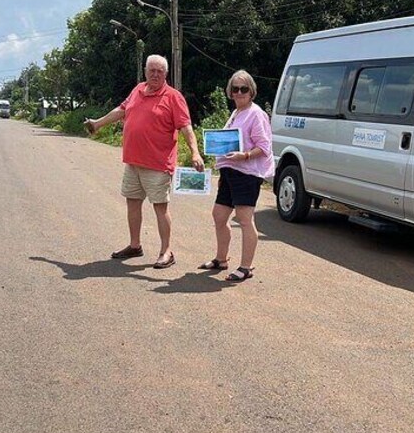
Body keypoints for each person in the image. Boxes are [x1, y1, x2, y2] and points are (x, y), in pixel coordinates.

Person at [84, 55, 204, 269]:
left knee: (160, 207)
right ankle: (134, 245)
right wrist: (98, 123)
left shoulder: (173, 97)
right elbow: (121, 111)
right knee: (132, 203)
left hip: (158, 165)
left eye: (159, 71)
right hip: (133, 162)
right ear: (145, 71)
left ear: (166, 74)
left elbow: (186, 127)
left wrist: (195, 152)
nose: (155, 74)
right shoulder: (138, 89)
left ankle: (167, 251)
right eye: (152, 70)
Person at [199, 70, 274, 282]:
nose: (239, 92)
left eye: (243, 89)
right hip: (230, 173)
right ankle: (221, 259)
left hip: (247, 174)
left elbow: (264, 146)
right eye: (235, 89)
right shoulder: (237, 113)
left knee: (244, 219)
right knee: (219, 215)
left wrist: (245, 155)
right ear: (230, 92)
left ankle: (246, 267)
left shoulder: (256, 113)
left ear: (251, 91)